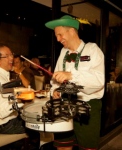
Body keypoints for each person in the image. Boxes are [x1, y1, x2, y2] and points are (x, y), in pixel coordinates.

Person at [45, 15, 105, 150]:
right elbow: (56, 78)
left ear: (72, 31)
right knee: (63, 146)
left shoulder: (92, 49)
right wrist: (55, 90)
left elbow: (99, 81)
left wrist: (71, 75)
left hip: (87, 107)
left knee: (87, 147)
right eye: (56, 36)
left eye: (60, 35)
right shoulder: (63, 52)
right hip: (64, 105)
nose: (58, 39)